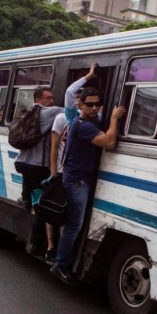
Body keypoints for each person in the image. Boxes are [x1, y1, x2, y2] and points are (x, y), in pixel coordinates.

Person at [50, 87, 125, 283]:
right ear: (80, 105)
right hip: (76, 182)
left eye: (97, 104)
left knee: (74, 224)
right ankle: (61, 265)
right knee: (74, 225)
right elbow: (109, 142)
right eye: (89, 104)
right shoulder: (82, 125)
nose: (94, 108)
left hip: (80, 179)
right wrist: (115, 118)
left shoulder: (91, 121)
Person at [43, 66, 98, 264]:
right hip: (66, 173)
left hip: (70, 173)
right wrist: (88, 77)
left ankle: (58, 254)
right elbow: (54, 146)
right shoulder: (71, 118)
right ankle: (55, 254)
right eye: (84, 102)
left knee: (68, 218)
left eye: (96, 104)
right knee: (61, 214)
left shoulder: (94, 118)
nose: (93, 107)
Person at [14, 86, 63, 259]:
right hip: (36, 167)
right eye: (48, 98)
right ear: (38, 100)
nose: (51, 101)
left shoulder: (28, 113)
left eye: (52, 98)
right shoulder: (48, 113)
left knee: (32, 199)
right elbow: (71, 111)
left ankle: (26, 199)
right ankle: (35, 245)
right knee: (42, 208)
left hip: (22, 163)